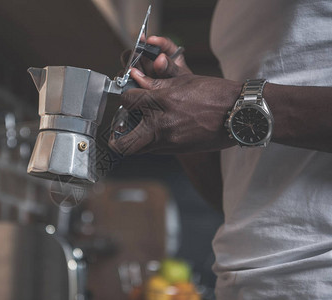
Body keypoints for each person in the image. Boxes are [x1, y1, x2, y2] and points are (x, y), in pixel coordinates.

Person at [108, 0, 332, 299]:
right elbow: (237, 197)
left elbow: (238, 109)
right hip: (242, 282)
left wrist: (233, 106)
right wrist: (181, 101)